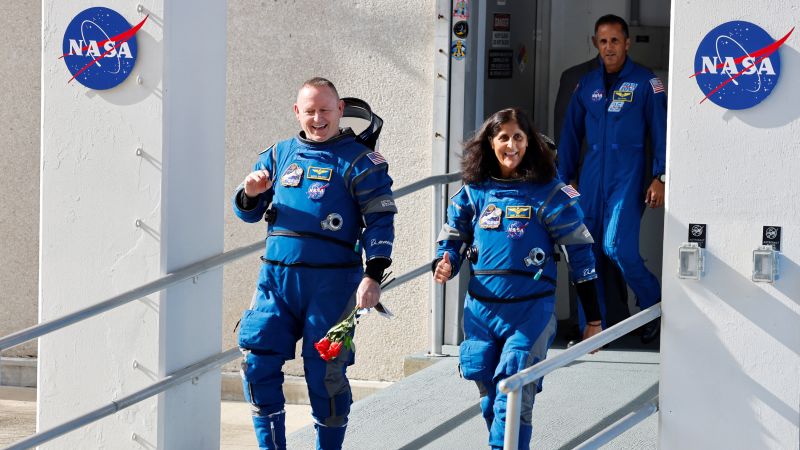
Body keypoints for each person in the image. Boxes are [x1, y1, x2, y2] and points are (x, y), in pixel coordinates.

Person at [232, 77, 397, 450]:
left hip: (334, 284)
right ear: (297, 112)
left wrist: (373, 276)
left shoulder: (361, 161)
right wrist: (250, 193)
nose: (318, 118)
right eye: (310, 111)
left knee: (324, 373)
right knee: (257, 365)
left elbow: (381, 222)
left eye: (325, 110)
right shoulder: (277, 154)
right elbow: (248, 212)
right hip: (276, 282)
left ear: (340, 110)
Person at [432, 108, 603, 449]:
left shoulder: (550, 194)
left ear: (531, 142)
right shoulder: (473, 192)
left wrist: (593, 319)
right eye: (503, 137)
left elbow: (581, 257)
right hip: (480, 312)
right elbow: (453, 238)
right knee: (489, 397)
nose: (511, 145)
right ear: (489, 143)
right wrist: (446, 261)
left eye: (519, 137)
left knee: (513, 400)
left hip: (530, 313)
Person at [558, 14, 666, 343]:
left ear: (627, 43)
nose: (609, 47)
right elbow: (570, 136)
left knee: (616, 246)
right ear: (595, 44)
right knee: (585, 253)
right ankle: (595, 328)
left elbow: (661, 134)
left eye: (615, 41)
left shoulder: (647, 83)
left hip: (629, 176)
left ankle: (655, 305)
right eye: (603, 41)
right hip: (590, 178)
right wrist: (565, 182)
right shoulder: (586, 85)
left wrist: (660, 176)